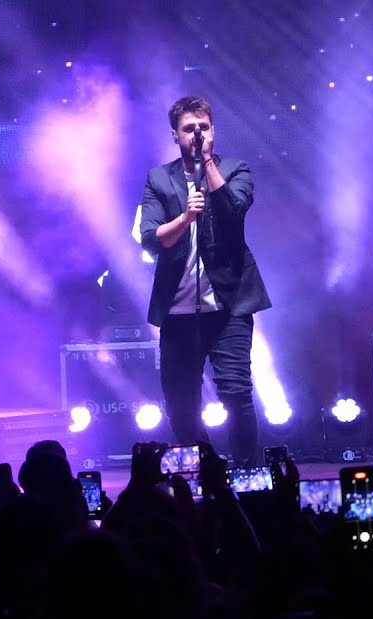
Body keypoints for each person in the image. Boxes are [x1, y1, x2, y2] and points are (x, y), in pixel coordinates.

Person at [138, 96, 271, 467]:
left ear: (213, 130)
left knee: (236, 392)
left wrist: (208, 163)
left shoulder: (235, 168)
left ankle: (246, 473)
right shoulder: (159, 179)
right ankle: (205, 471)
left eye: (204, 127)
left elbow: (234, 212)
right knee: (181, 403)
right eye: (189, 128)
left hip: (227, 307)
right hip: (178, 311)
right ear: (175, 135)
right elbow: (150, 237)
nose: (197, 134)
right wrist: (184, 219)